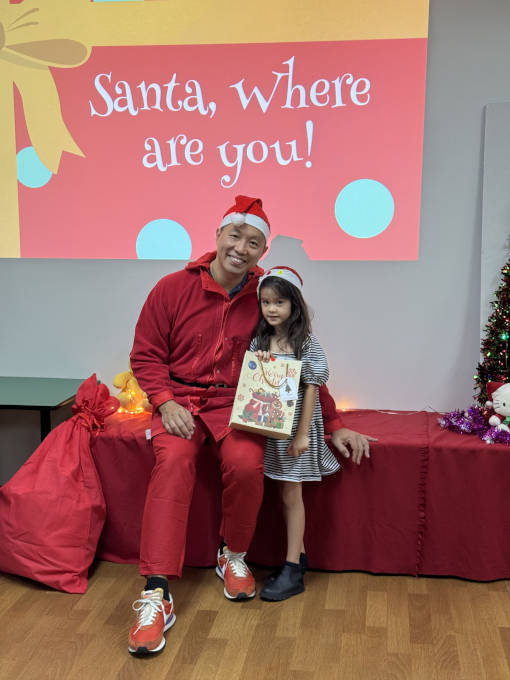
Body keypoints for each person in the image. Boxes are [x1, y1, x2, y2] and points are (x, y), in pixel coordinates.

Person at [127, 195, 375, 655]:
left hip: (238, 406)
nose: (241, 248)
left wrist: (335, 422)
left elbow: (298, 360)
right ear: (218, 236)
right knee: (174, 464)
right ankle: (156, 590)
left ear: (263, 251)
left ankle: (233, 554)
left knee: (246, 464)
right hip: (179, 403)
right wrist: (164, 402)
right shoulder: (171, 288)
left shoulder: (267, 295)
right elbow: (145, 355)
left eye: (254, 243)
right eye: (235, 236)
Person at [250, 266, 339, 601]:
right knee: (283, 492)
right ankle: (297, 561)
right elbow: (257, 380)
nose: (271, 309)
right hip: (272, 428)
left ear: (294, 305)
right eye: (266, 302)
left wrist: (302, 435)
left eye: (279, 302)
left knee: (291, 494)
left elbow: (312, 388)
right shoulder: (260, 339)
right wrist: (260, 361)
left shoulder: (306, 342)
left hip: (296, 430)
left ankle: (291, 569)